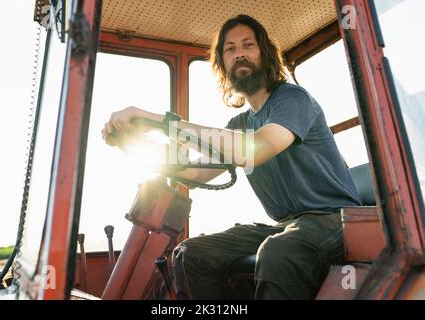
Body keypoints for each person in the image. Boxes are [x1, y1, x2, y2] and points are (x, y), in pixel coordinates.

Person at [102, 14, 361, 299]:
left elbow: (256, 148)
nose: (239, 54)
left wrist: (155, 120)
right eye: (230, 49)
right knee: (191, 254)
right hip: (288, 224)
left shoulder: (293, 100)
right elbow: (197, 173)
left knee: (279, 253)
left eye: (248, 45)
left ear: (264, 53)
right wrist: (134, 141)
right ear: (223, 63)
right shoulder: (239, 125)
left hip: (334, 220)